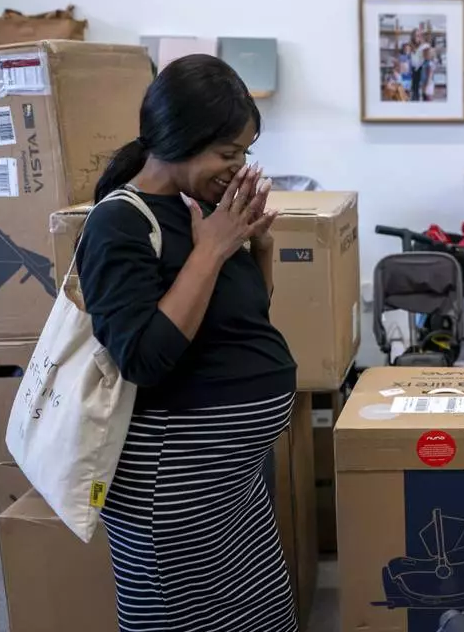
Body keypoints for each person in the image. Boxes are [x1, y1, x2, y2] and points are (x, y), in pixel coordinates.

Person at [76, 54, 299, 632]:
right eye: (227, 154)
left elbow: (242, 325)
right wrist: (211, 251)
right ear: (176, 139)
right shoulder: (118, 223)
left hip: (233, 487)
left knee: (265, 616)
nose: (238, 167)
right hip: (172, 494)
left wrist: (258, 251)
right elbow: (143, 358)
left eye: (245, 153)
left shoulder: (200, 209)